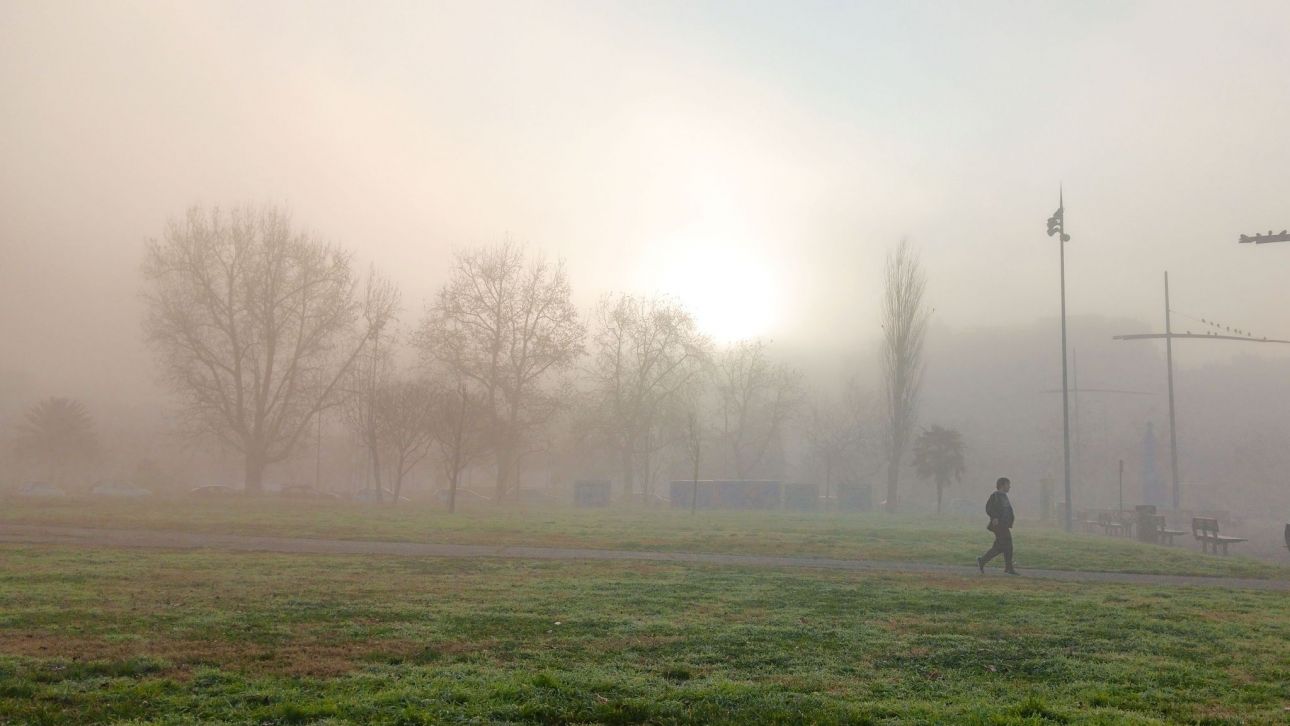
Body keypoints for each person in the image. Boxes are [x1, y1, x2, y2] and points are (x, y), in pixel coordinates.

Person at [978, 477, 1018, 575]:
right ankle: (1008, 568)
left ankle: (983, 561)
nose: (1009, 487)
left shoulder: (1003, 496)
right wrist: (994, 517)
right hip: (999, 525)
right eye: (1008, 484)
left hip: (1004, 525)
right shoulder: (996, 495)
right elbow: (989, 508)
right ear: (1002, 485)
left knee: (1002, 546)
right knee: (1007, 545)